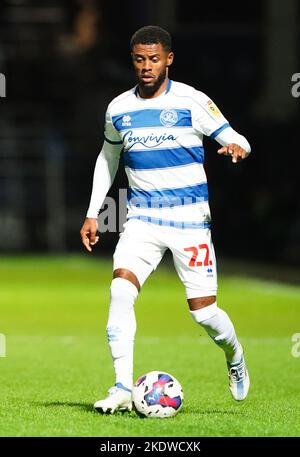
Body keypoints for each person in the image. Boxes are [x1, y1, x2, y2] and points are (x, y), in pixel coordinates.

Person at [80, 25, 251, 413]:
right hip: (141, 218)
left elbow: (236, 138)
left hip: (190, 218)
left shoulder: (193, 100)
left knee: (205, 314)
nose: (146, 66)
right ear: (133, 60)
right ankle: (123, 387)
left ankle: (234, 353)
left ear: (168, 59)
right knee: (121, 290)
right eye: (140, 59)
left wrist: (237, 148)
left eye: (154, 59)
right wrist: (93, 213)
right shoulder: (119, 108)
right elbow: (108, 159)